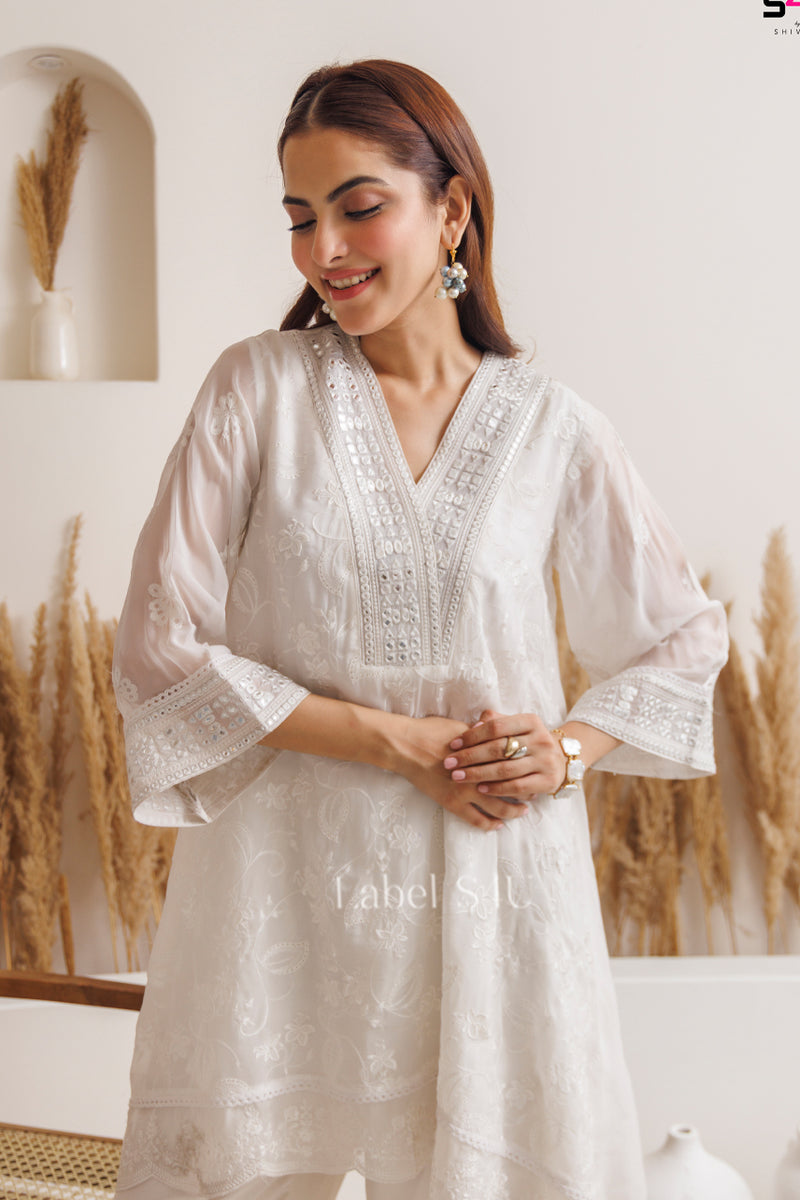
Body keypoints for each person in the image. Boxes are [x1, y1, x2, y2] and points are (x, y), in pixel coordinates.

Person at [111, 59, 728, 1200]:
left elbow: (682, 637)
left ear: (451, 211)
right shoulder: (256, 390)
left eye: (358, 207)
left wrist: (566, 749)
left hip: (494, 898)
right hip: (280, 899)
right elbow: (161, 643)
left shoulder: (552, 427)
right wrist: (396, 744)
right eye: (300, 217)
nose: (323, 250)